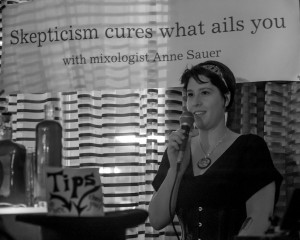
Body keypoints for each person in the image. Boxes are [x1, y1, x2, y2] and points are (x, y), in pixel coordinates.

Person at [148, 60, 283, 240]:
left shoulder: (250, 148)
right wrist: (175, 170)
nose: (195, 102)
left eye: (205, 92)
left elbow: (259, 222)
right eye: (190, 94)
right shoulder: (177, 150)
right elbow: (157, 220)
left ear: (225, 99)